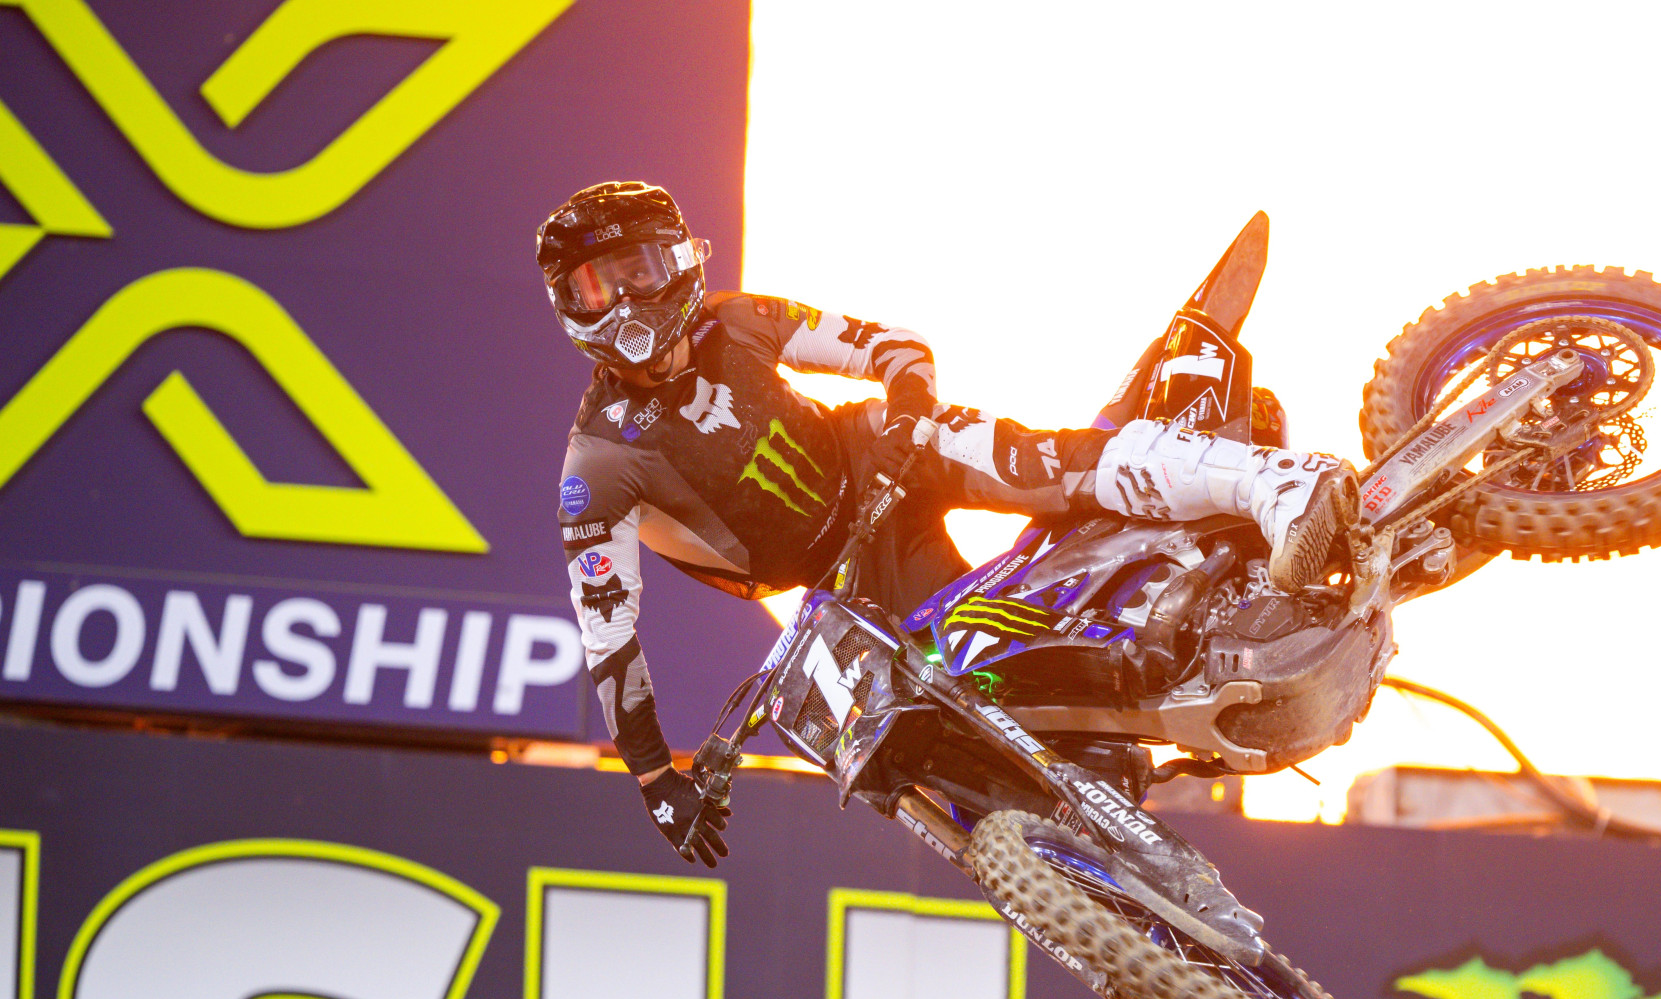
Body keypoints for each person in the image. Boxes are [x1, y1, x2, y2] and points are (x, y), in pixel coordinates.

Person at [535, 180, 1359, 867]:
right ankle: (1118, 771)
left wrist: (906, 415)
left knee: (1048, 465)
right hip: (847, 583)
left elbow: (893, 346)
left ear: (680, 260)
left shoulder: (738, 318)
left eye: (637, 271)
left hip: (887, 458)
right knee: (970, 705)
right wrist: (656, 781)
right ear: (569, 306)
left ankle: (1281, 485)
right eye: (596, 287)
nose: (625, 301)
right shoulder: (594, 467)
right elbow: (609, 639)